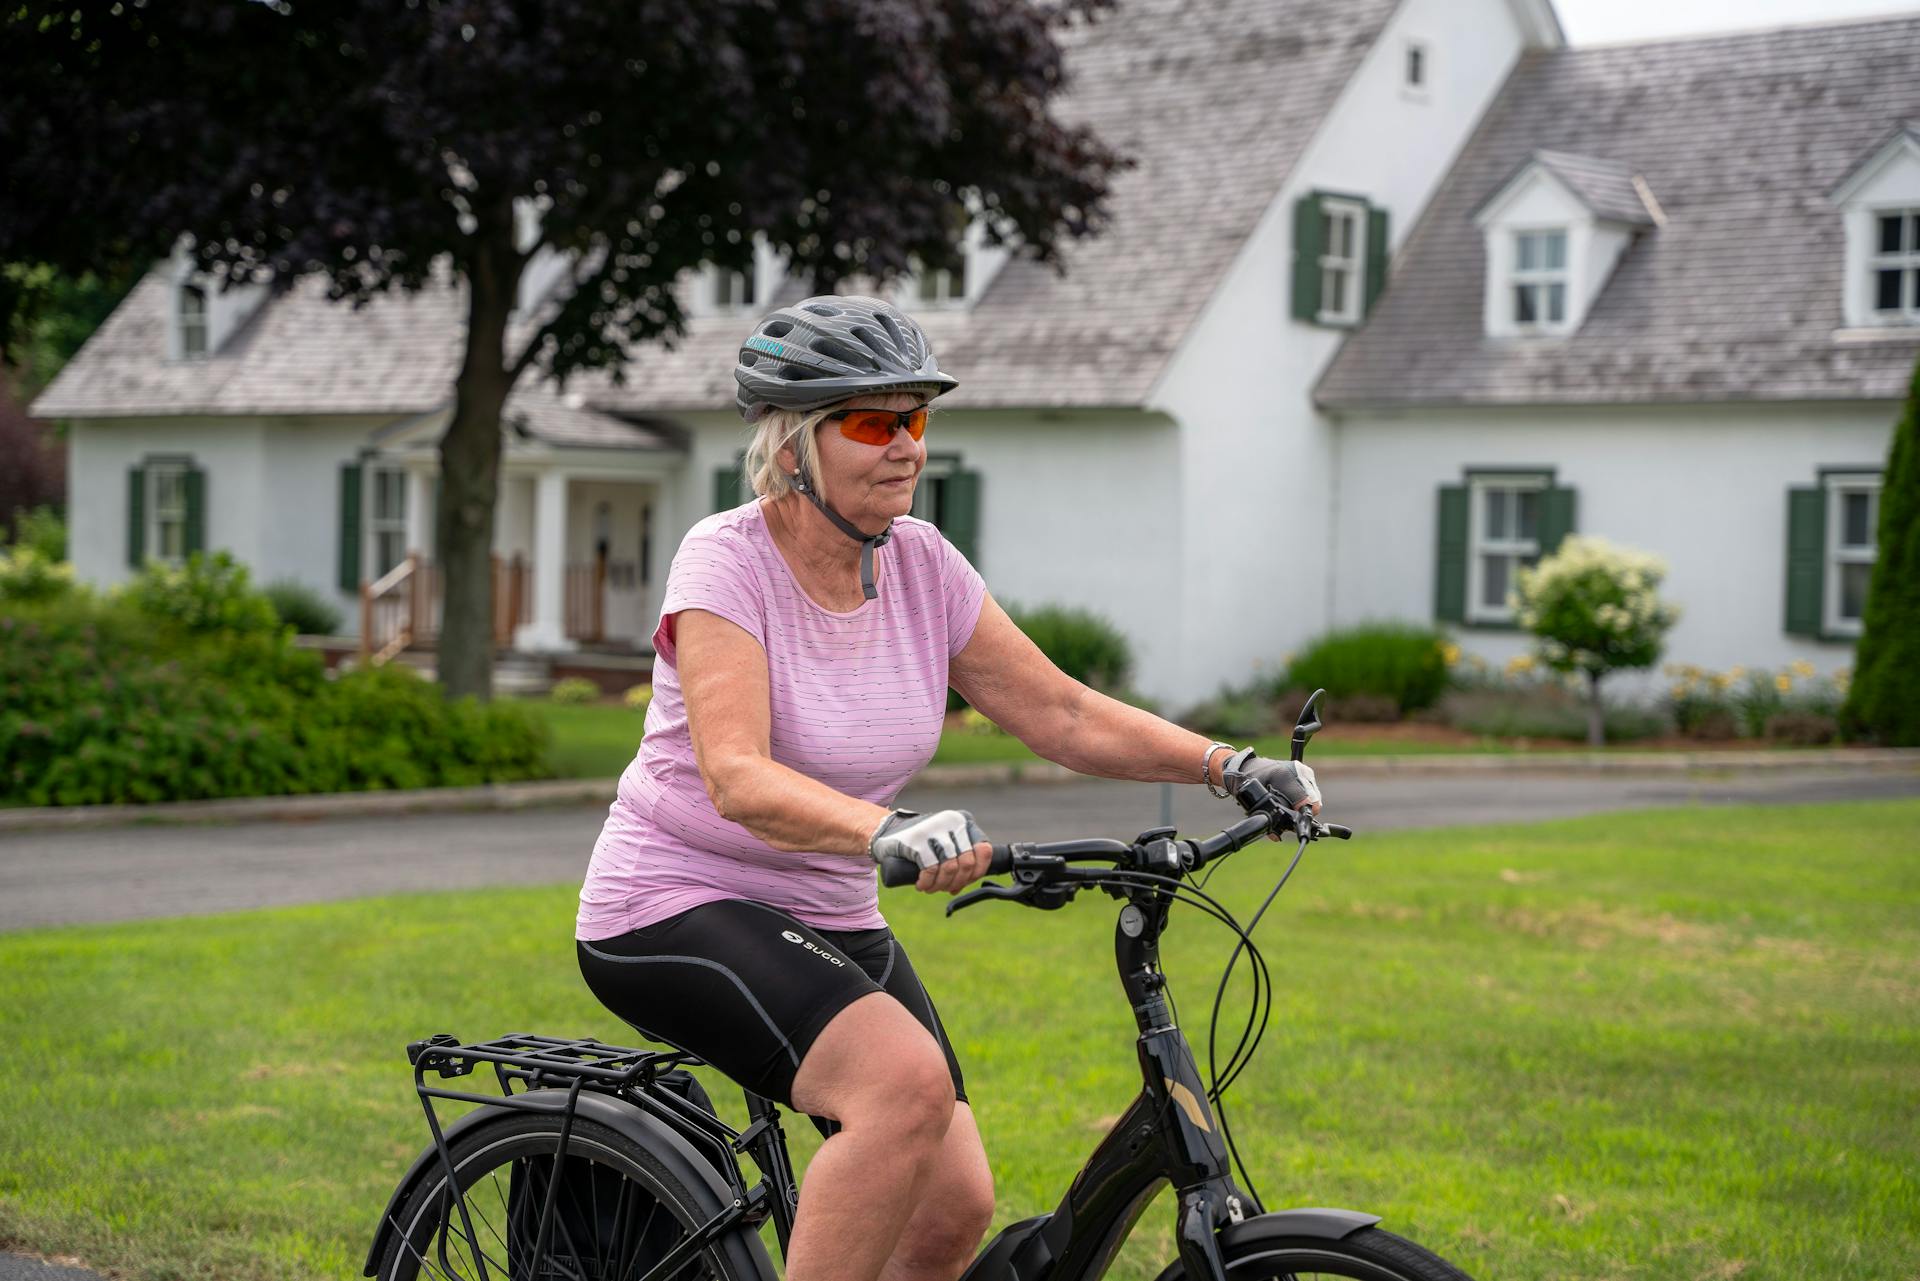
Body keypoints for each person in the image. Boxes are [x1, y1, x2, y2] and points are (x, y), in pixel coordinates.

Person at [575, 294, 1322, 1281]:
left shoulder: (923, 565)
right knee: (900, 1091)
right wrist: (890, 828)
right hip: (674, 900)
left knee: (952, 1204)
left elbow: (1061, 712)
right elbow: (739, 777)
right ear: (794, 446)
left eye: (917, 420)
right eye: (875, 423)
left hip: (829, 907)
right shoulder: (727, 562)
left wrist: (1229, 767)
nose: (908, 448)